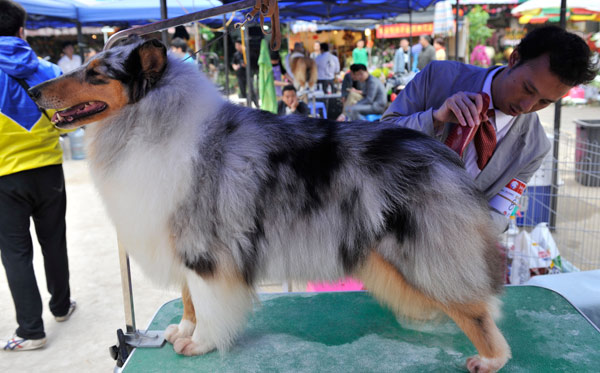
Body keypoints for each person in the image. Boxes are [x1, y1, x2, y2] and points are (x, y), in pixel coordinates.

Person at [382, 25, 596, 233]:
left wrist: (466, 232)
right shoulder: (439, 77)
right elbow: (379, 137)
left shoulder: (534, 147)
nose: (527, 106)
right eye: (527, 89)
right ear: (514, 59)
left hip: (448, 249)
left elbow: (500, 212)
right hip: (384, 224)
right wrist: (435, 118)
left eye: (544, 102)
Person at [0, 0, 76, 352]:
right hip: (49, 170)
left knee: (15, 253)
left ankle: (31, 331)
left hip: (4, 178)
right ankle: (61, 308)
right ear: (21, 31)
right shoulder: (46, 69)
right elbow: (68, 116)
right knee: (54, 240)